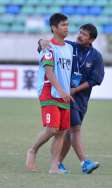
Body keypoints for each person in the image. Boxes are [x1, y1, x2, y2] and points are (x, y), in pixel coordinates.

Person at [25, 13, 73, 174]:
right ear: (54, 28)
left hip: (64, 94)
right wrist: (61, 91)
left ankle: (54, 166)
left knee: (61, 132)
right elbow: (49, 72)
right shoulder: (48, 48)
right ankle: (32, 150)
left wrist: (66, 91)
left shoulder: (69, 48)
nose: (67, 28)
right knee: (52, 129)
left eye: (67, 24)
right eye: (63, 25)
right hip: (50, 92)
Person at [58, 24, 104, 174]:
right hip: (67, 97)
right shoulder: (69, 47)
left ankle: (57, 163)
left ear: (91, 39)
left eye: (84, 34)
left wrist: (76, 89)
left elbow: (96, 80)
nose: (80, 35)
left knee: (68, 133)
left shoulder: (96, 56)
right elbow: (52, 44)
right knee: (75, 129)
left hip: (82, 100)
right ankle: (85, 162)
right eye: (80, 32)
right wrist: (42, 43)